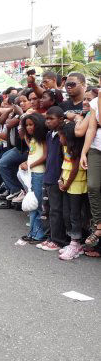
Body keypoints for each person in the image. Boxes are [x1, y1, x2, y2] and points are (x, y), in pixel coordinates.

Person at [37, 107, 66, 251]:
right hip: (48, 176)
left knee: (56, 210)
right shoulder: (49, 135)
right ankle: (49, 237)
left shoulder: (63, 136)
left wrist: (61, 178)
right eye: (46, 119)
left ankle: (58, 240)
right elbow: (48, 156)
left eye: (51, 119)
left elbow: (65, 159)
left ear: (61, 119)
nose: (47, 122)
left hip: (57, 178)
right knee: (47, 210)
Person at [58, 121, 88, 260]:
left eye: (61, 136)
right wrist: (61, 180)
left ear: (68, 136)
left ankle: (75, 243)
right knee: (66, 213)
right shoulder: (65, 147)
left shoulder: (76, 149)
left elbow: (75, 169)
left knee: (74, 214)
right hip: (66, 182)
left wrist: (66, 183)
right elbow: (65, 166)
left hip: (76, 184)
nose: (59, 139)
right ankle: (73, 241)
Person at [19, 113, 47, 243]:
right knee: (33, 204)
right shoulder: (33, 139)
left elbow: (44, 156)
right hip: (32, 173)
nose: (29, 127)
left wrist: (30, 164)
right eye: (27, 125)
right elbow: (32, 152)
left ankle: (39, 233)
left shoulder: (42, 138)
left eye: (31, 125)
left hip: (39, 173)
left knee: (38, 204)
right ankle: (33, 232)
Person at [80, 90, 101, 252]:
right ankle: (98, 226)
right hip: (96, 149)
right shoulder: (95, 102)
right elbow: (91, 129)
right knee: (93, 186)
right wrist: (84, 152)